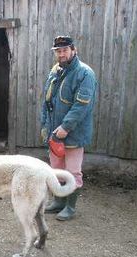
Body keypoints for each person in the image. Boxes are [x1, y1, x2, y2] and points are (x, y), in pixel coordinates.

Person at [40, 36, 97, 221]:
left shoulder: (85, 73)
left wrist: (65, 127)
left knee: (73, 171)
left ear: (74, 50)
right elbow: (47, 101)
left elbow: (82, 106)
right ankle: (59, 201)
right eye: (58, 51)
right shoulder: (56, 70)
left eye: (64, 50)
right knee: (56, 168)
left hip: (73, 133)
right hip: (54, 133)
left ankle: (70, 207)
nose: (61, 54)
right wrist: (45, 125)